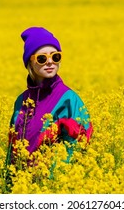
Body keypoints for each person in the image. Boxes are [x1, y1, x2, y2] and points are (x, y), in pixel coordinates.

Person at [5, 27, 93, 175]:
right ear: (30, 63)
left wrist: (49, 174)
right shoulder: (21, 101)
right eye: (42, 58)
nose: (50, 62)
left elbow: (79, 144)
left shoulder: (68, 99)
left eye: (56, 56)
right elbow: (12, 146)